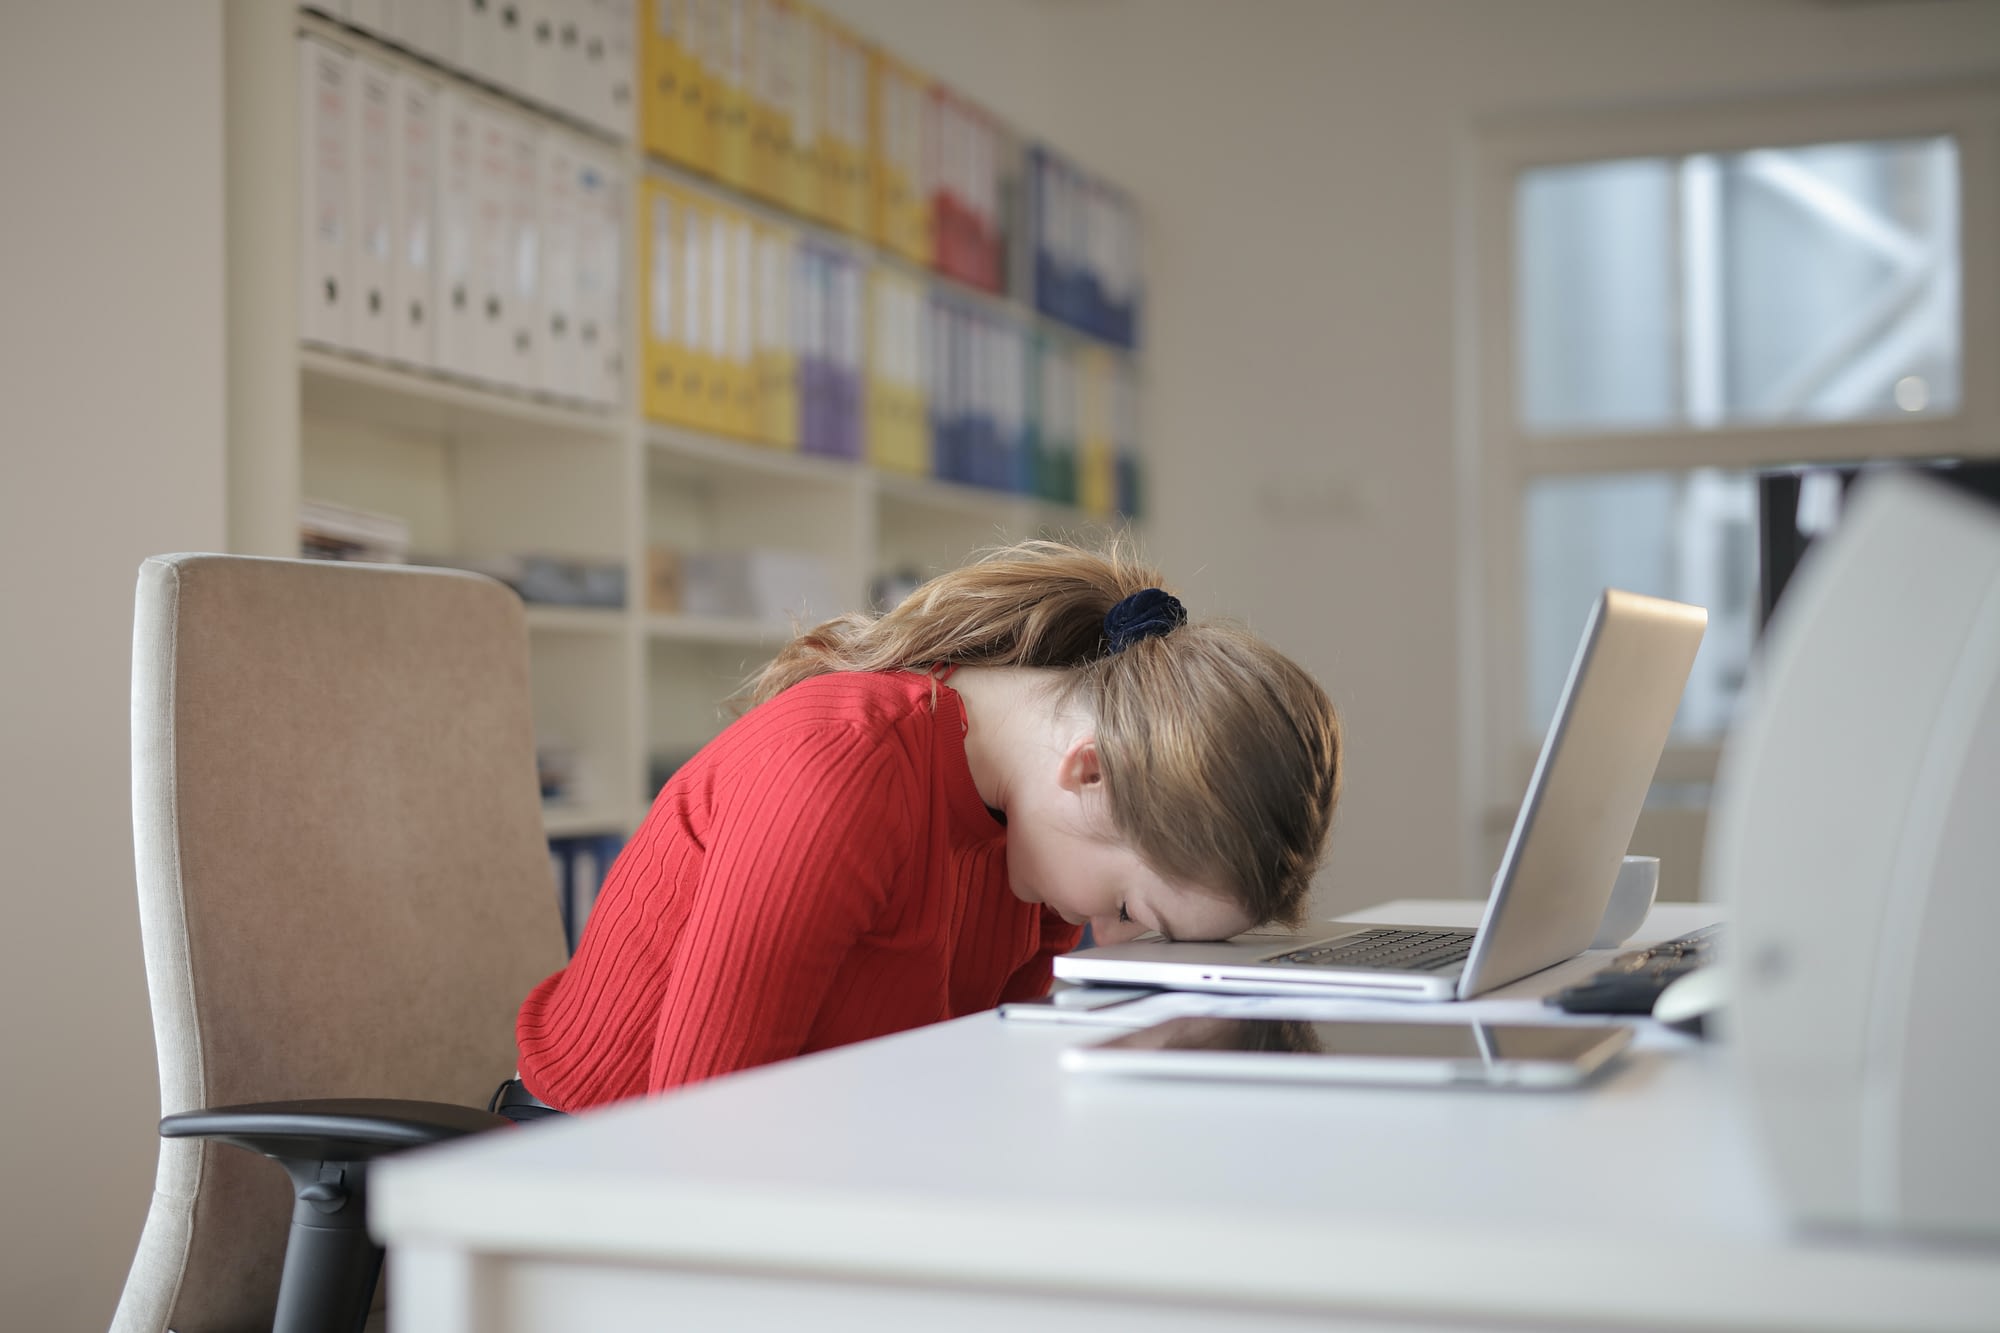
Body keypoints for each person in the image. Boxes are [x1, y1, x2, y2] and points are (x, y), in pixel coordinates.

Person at [509, 538, 1342, 1110]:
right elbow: (700, 1134)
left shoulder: (1038, 838)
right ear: (1089, 771)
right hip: (591, 1170)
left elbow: (971, 1086)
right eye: (1132, 913)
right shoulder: (841, 768)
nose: (1113, 943)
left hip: (810, 1156)